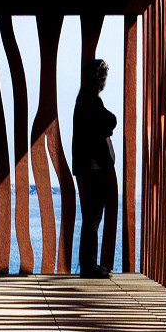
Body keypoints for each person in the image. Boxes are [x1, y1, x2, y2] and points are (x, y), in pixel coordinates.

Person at [71, 58, 118, 280]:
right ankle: (89, 266)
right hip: (93, 167)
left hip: (87, 166)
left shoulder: (84, 100)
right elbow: (110, 119)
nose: (104, 82)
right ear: (99, 79)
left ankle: (89, 264)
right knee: (92, 217)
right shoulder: (90, 101)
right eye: (103, 78)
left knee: (91, 217)